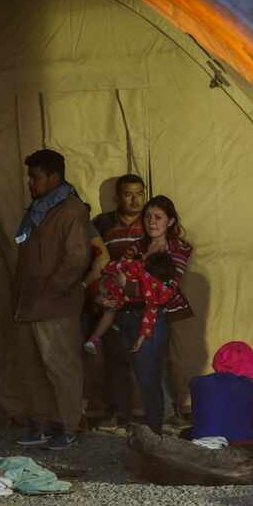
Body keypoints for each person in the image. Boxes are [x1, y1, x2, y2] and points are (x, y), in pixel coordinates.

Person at [12, 150, 90, 450]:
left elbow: (77, 258)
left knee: (61, 367)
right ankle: (41, 423)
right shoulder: (37, 209)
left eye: (35, 177)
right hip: (29, 303)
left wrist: (52, 290)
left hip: (55, 305)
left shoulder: (70, 210)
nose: (30, 183)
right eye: (30, 177)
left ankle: (68, 425)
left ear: (54, 177)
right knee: (32, 368)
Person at [108, 195, 193, 435]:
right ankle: (146, 426)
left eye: (158, 217)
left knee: (148, 376)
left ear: (170, 221)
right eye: (147, 217)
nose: (151, 222)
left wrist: (128, 286)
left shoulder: (179, 248)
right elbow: (117, 274)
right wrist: (115, 290)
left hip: (151, 317)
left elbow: (166, 289)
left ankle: (155, 429)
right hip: (125, 313)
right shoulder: (137, 247)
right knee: (132, 372)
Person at [92, 173, 147, 428]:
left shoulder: (152, 221)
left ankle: (145, 413)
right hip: (113, 302)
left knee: (146, 358)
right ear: (117, 197)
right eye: (128, 194)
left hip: (143, 301)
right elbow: (94, 260)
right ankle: (116, 412)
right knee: (114, 360)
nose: (135, 200)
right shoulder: (103, 224)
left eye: (139, 193)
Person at [84, 252, 177, 354]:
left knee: (110, 311)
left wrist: (141, 338)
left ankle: (94, 339)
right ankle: (94, 339)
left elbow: (150, 314)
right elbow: (113, 266)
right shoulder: (135, 266)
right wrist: (107, 273)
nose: (150, 285)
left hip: (118, 300)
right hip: (107, 287)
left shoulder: (156, 292)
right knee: (108, 311)